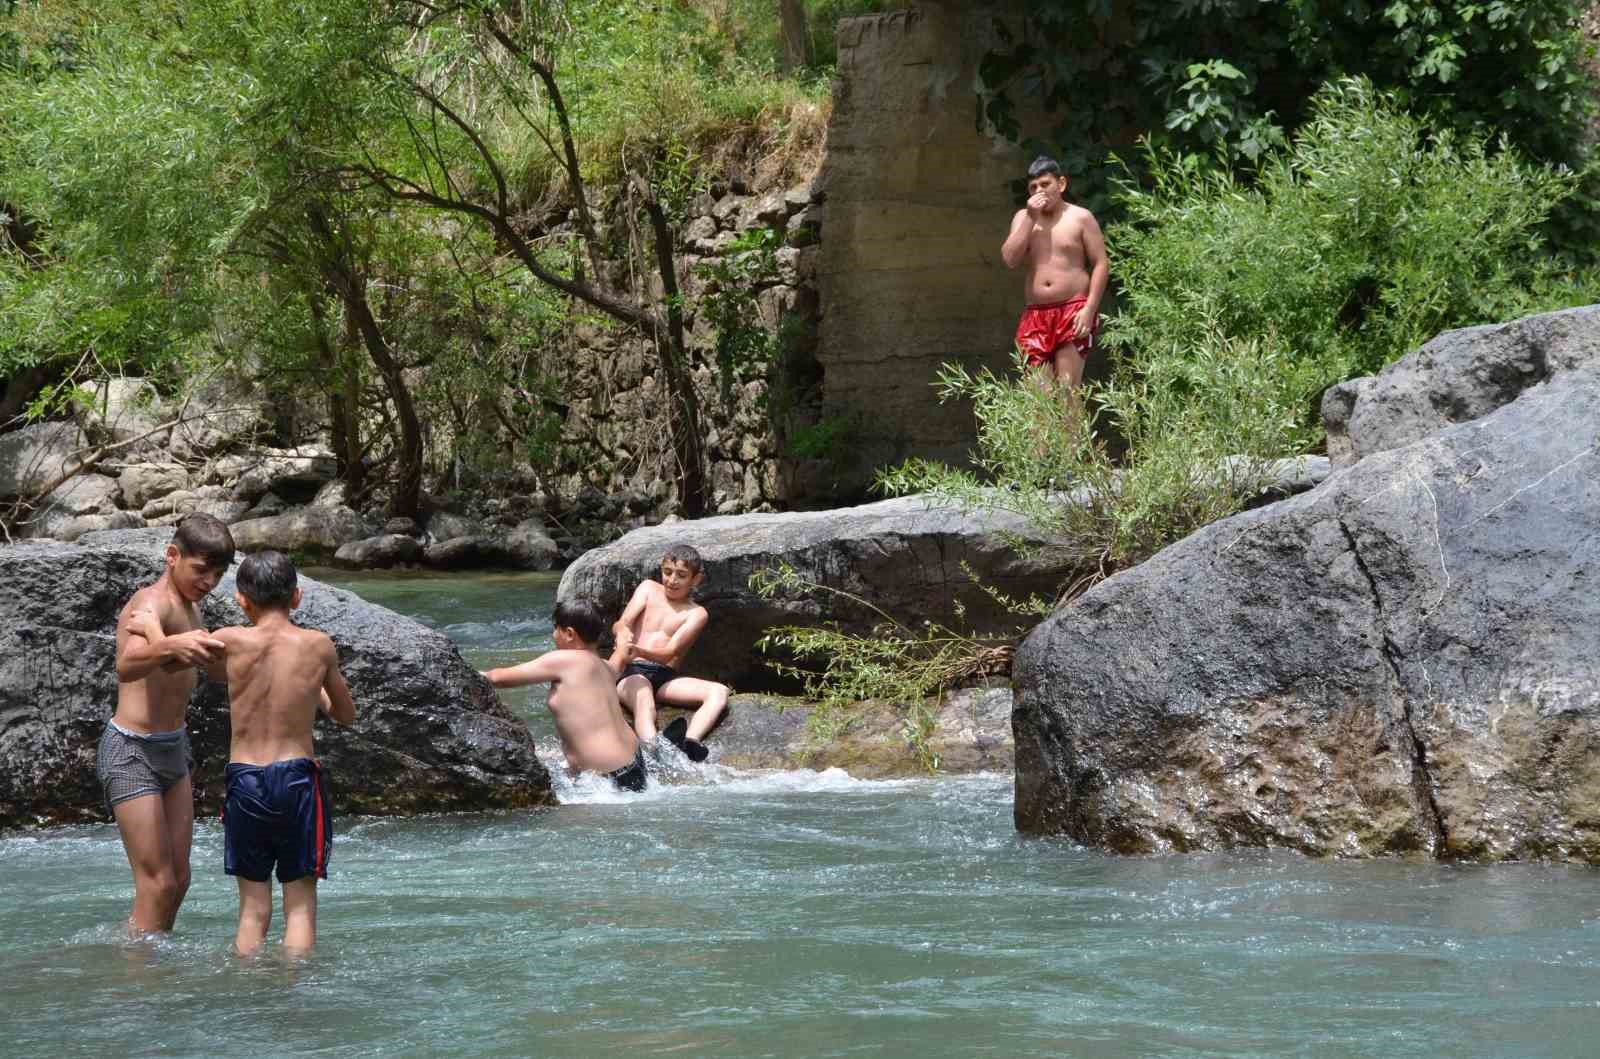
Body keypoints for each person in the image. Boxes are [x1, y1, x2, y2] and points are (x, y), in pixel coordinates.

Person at [205, 550, 355, 955]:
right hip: (297, 779)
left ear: (241, 600)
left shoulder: (229, 640)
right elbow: (345, 714)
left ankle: (249, 994)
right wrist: (316, 690)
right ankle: (296, 998)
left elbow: (215, 671)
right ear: (297, 597)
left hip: (245, 779)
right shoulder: (318, 646)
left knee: (252, 908)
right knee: (300, 908)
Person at [103, 513, 235, 937]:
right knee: (156, 882)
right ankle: (138, 981)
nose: (209, 581)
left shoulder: (190, 607)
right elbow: (127, 666)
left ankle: (151, 958)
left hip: (173, 751)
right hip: (132, 751)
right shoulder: (150, 604)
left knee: (178, 881)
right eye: (201, 569)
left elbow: (213, 671)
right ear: (172, 556)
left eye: (218, 573)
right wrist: (171, 642)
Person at [481, 598, 647, 792]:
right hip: (636, 764)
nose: (553, 634)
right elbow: (619, 658)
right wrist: (622, 640)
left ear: (569, 634)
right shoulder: (606, 667)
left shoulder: (564, 660)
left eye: (555, 628)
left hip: (608, 781)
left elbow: (498, 678)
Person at [609, 543, 729, 763]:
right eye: (667, 572)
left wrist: (638, 649)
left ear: (696, 579)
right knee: (643, 696)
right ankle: (654, 750)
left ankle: (690, 741)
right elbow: (622, 622)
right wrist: (623, 633)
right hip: (630, 670)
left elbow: (670, 653)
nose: (672, 580)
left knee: (719, 692)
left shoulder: (697, 613)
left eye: (681, 575)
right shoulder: (647, 588)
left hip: (664, 676)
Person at [1000, 155, 1110, 391]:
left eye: (1045, 184)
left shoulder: (1080, 217)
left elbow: (1101, 263)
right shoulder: (1023, 217)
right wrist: (1031, 217)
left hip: (1073, 310)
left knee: (1067, 393)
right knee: (1039, 402)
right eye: (1033, 187)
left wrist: (1089, 309)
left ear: (1061, 184)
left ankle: (1074, 430)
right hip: (1036, 315)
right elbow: (1010, 259)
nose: (1039, 191)